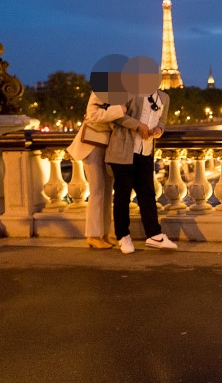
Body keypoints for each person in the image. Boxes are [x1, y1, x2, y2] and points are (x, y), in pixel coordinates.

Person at [106, 77, 177, 254]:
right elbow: (116, 116)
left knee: (147, 193)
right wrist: (138, 126)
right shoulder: (130, 93)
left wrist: (159, 130)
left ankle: (154, 235)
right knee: (123, 195)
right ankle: (123, 236)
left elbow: (163, 120)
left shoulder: (164, 98)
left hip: (145, 151)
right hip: (124, 151)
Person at [66, 93, 126, 249]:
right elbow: (93, 115)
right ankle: (93, 235)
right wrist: (119, 110)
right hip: (92, 144)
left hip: (107, 145)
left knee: (106, 192)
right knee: (97, 190)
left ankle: (104, 233)